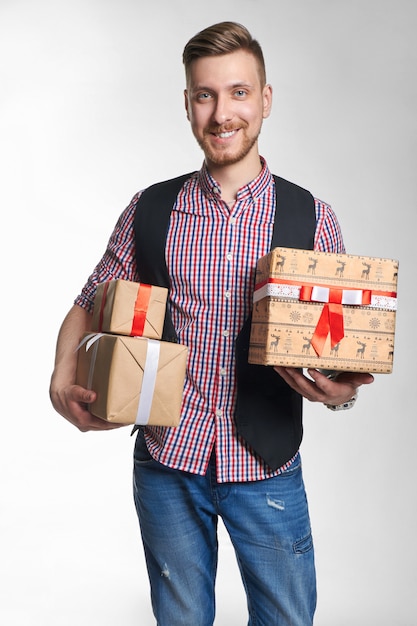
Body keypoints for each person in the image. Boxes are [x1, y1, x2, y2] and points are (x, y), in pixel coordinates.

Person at [50, 21, 374, 626]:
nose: (222, 113)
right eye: (206, 95)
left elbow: (340, 343)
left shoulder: (311, 217)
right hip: (168, 461)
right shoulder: (151, 208)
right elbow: (89, 301)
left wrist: (342, 394)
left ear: (266, 99)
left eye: (239, 93)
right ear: (188, 105)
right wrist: (59, 375)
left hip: (266, 467)